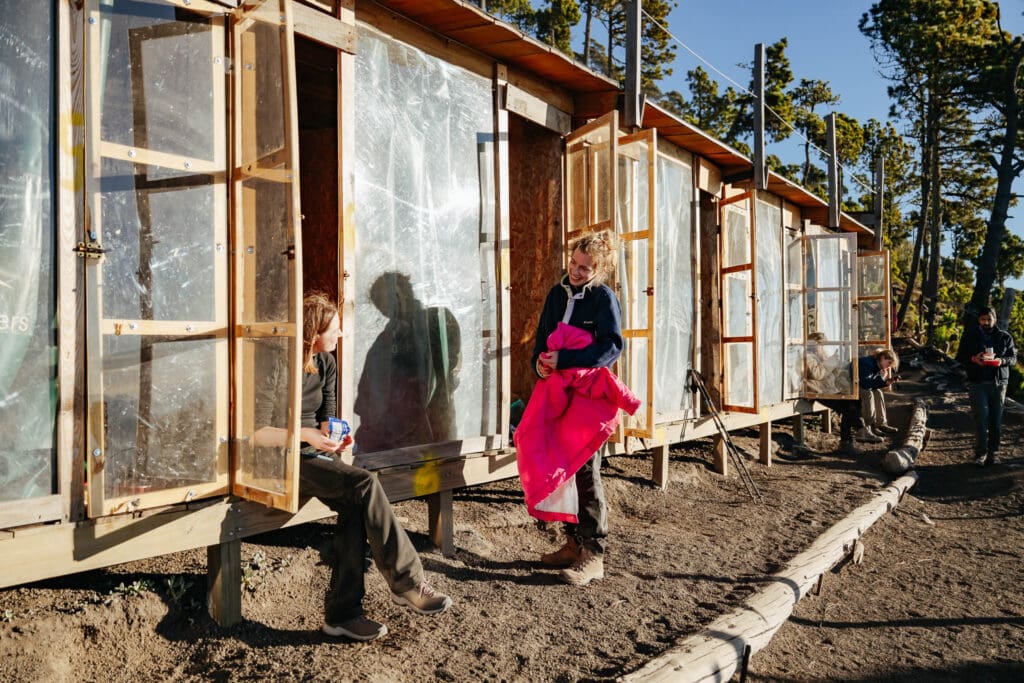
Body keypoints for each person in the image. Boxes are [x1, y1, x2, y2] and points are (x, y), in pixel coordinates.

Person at [255, 292, 452, 642]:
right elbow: (255, 433)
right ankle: (407, 582)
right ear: (312, 332)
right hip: (278, 459)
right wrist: (307, 436)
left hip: (315, 456)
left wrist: (335, 434)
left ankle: (343, 615)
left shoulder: (327, 364)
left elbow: (327, 418)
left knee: (354, 504)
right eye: (336, 329)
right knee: (364, 485)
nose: (341, 335)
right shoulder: (274, 364)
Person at [529, 232, 623, 586]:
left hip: (589, 396)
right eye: (574, 263)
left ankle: (594, 553)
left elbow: (611, 347)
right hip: (556, 392)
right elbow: (540, 340)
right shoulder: (557, 294)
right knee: (561, 468)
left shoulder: (603, 298)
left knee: (584, 468)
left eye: (585, 268)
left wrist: (566, 358)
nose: (577, 272)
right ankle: (572, 543)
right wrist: (539, 365)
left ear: (599, 269)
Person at [955, 306, 1017, 466]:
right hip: (977, 382)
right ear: (979, 320)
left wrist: (1001, 361)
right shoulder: (970, 336)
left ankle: (993, 453)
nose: (986, 322)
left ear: (994, 319)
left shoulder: (1005, 337)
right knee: (980, 418)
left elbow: (1012, 359)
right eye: (983, 319)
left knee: (996, 420)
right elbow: (960, 356)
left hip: (999, 384)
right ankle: (980, 453)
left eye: (989, 319)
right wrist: (973, 359)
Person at [856, 348, 900, 442]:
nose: (888, 367)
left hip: (861, 384)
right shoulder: (868, 363)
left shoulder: (877, 365)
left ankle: (881, 424)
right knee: (868, 394)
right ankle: (869, 427)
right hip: (851, 384)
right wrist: (881, 379)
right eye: (888, 363)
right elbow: (866, 385)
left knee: (878, 392)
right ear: (883, 358)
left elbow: (872, 384)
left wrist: (886, 382)